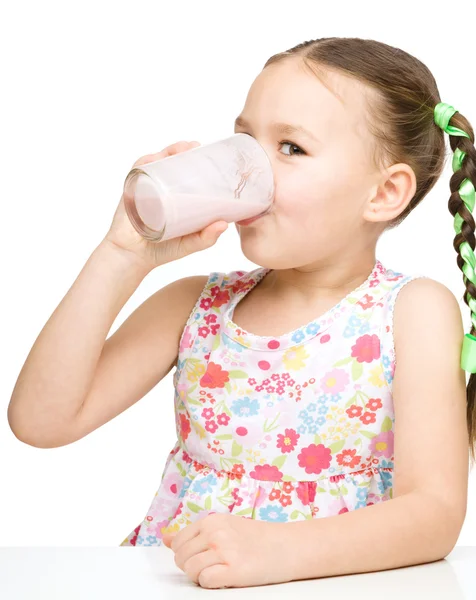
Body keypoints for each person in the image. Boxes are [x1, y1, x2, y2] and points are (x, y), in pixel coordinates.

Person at [8, 36, 474, 589]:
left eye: (291, 149)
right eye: (246, 139)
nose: (249, 169)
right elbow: (40, 422)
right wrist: (122, 254)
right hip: (176, 581)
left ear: (384, 194)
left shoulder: (412, 312)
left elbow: (434, 515)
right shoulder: (196, 304)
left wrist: (279, 551)